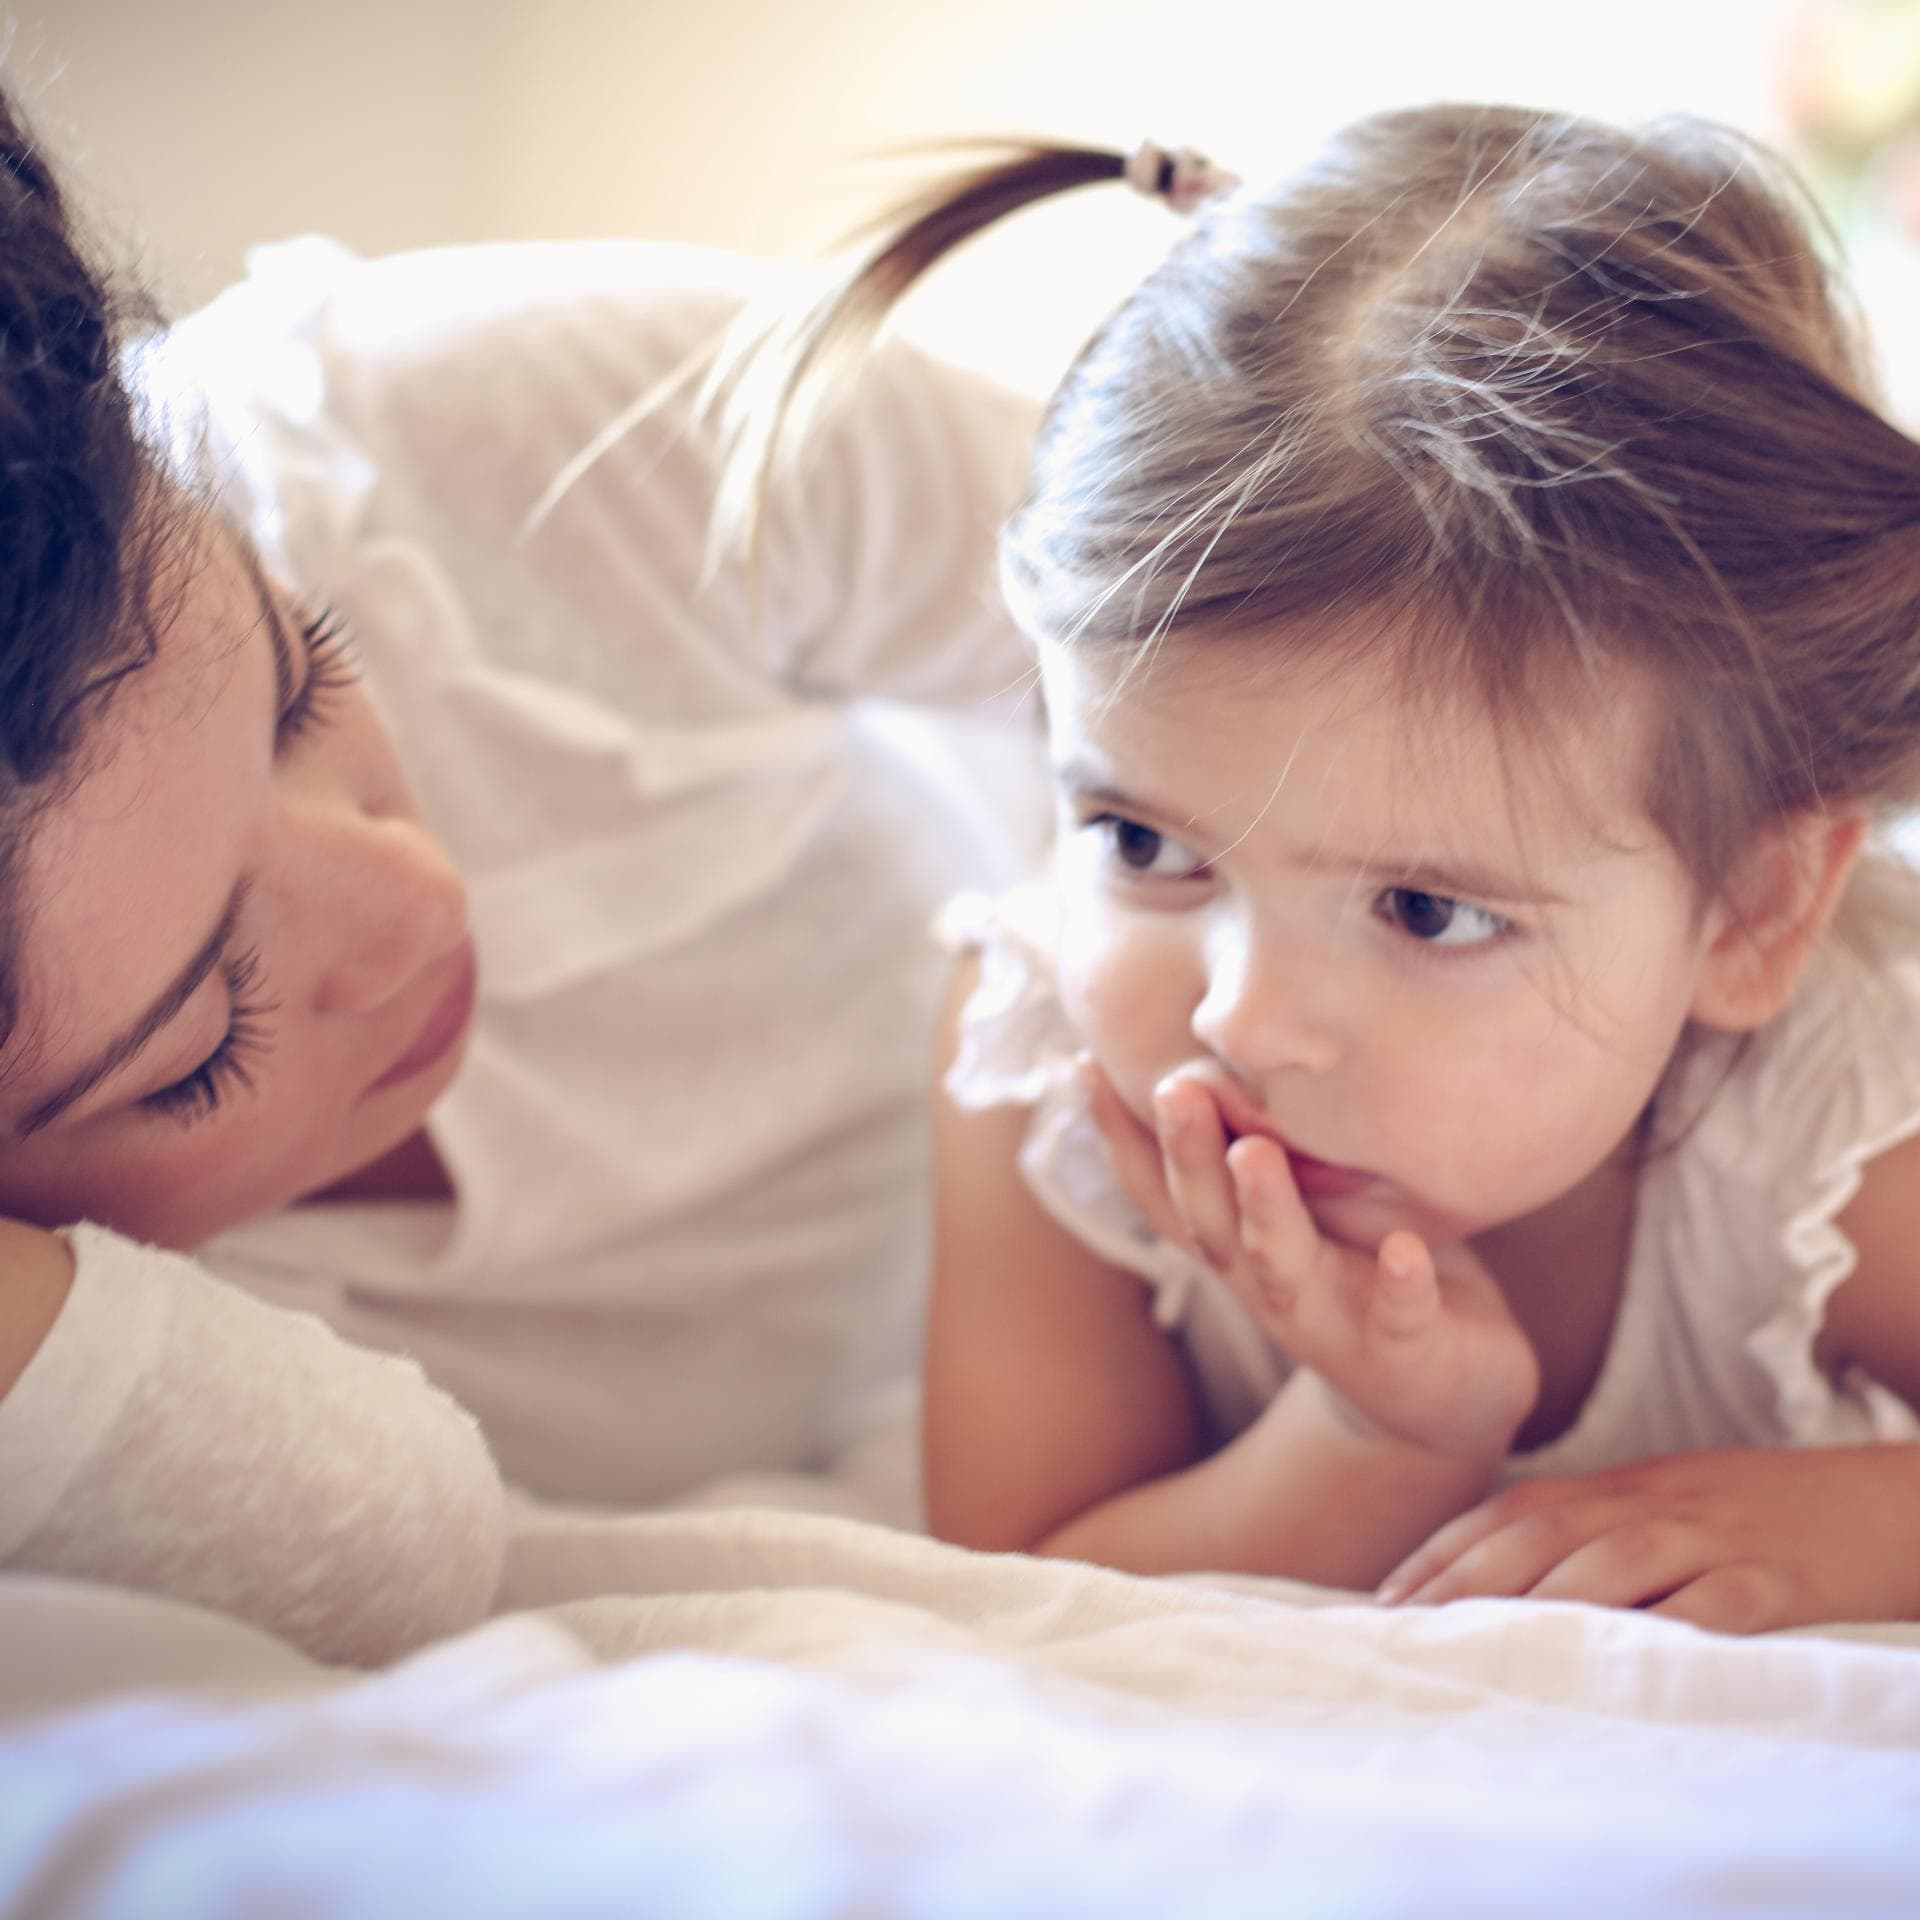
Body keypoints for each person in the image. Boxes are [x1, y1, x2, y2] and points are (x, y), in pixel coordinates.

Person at [732, 109, 1920, 1633]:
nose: (1243, 1019)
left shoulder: (1837, 1116)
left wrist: (1879, 1528)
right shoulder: (1051, 1079)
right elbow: (1025, 1586)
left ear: (1752, 914)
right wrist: (1381, 1437)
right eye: (1144, 843)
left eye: (1429, 909)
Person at [0, 84, 1041, 1664]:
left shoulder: (474, 433)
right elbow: (380, 1547)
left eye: (302, 678)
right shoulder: (108, 1365)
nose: (420, 894)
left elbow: (1295, 652)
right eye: (210, 1036)